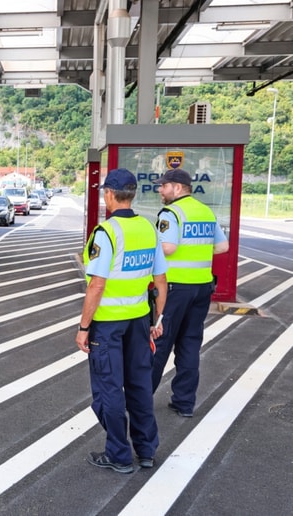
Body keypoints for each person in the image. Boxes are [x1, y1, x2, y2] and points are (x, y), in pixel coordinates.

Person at [76, 168, 168, 474]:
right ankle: (145, 451)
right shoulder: (148, 229)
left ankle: (118, 454)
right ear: (133, 195)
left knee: (109, 389)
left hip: (109, 324)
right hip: (140, 320)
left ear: (109, 195)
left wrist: (84, 327)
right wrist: (158, 319)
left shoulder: (106, 233)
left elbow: (97, 285)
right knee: (140, 385)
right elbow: (161, 280)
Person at [151, 168, 229, 418]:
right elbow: (222, 246)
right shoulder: (205, 211)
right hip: (202, 288)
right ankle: (184, 403)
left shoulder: (172, 212)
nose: (160, 190)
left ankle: (140, 399)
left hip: (174, 289)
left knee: (159, 343)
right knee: (190, 344)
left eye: (163, 186)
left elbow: (169, 247)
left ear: (176, 187)